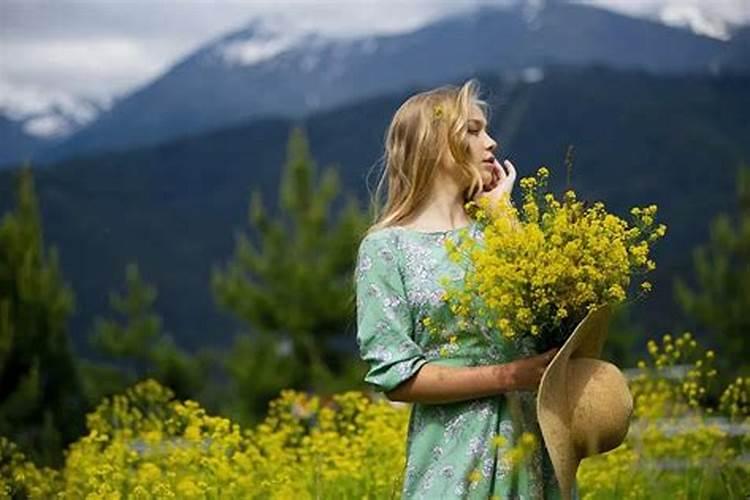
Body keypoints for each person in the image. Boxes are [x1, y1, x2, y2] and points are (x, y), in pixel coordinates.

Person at [354, 78, 573, 499]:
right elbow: (396, 377)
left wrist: (506, 218)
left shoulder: (501, 232)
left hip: (534, 446)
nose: (491, 142)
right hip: (452, 455)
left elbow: (552, 318)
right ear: (433, 144)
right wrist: (510, 375)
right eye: (472, 130)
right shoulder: (386, 248)